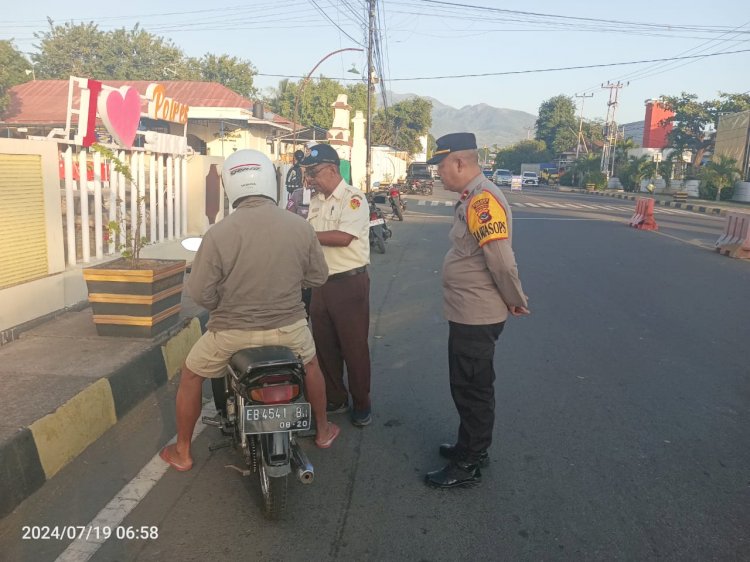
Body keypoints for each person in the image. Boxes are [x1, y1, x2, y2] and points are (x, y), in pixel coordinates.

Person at [160, 149, 339, 472]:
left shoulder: (219, 233)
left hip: (230, 333)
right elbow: (318, 277)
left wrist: (225, 306)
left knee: (190, 374)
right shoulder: (300, 227)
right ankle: (323, 431)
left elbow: (200, 292)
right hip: (289, 328)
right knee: (312, 366)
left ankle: (183, 450)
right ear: (271, 182)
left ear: (231, 186)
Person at [424, 133, 530, 489]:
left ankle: (471, 461)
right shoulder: (471, 198)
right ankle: (468, 446)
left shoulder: (483, 202)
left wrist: (514, 298)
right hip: (467, 311)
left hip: (477, 314)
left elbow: (500, 259)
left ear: (459, 162)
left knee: (473, 388)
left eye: (440, 166)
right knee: (466, 384)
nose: (438, 174)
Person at [301, 143, 373, 427]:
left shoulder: (353, 198)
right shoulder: (317, 200)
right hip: (321, 284)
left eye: (314, 173)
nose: (310, 179)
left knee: (353, 347)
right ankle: (336, 397)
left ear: (332, 169)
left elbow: (343, 237)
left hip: (349, 284)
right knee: (324, 346)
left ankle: (362, 402)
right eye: (308, 173)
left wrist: (305, 232)